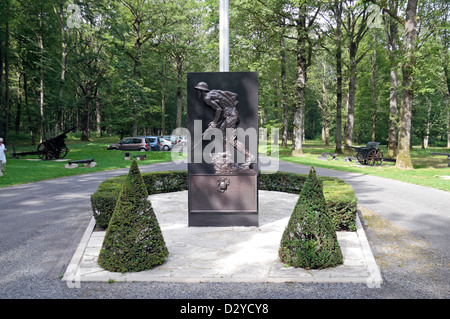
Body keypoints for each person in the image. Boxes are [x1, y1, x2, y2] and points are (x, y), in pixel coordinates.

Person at [194, 82, 254, 171]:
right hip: (231, 114)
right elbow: (234, 95)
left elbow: (218, 109)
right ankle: (229, 156)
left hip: (231, 115)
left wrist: (214, 123)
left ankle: (249, 156)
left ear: (200, 91)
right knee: (222, 133)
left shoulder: (206, 98)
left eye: (198, 91)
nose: (197, 92)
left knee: (230, 139)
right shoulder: (214, 92)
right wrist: (229, 107)